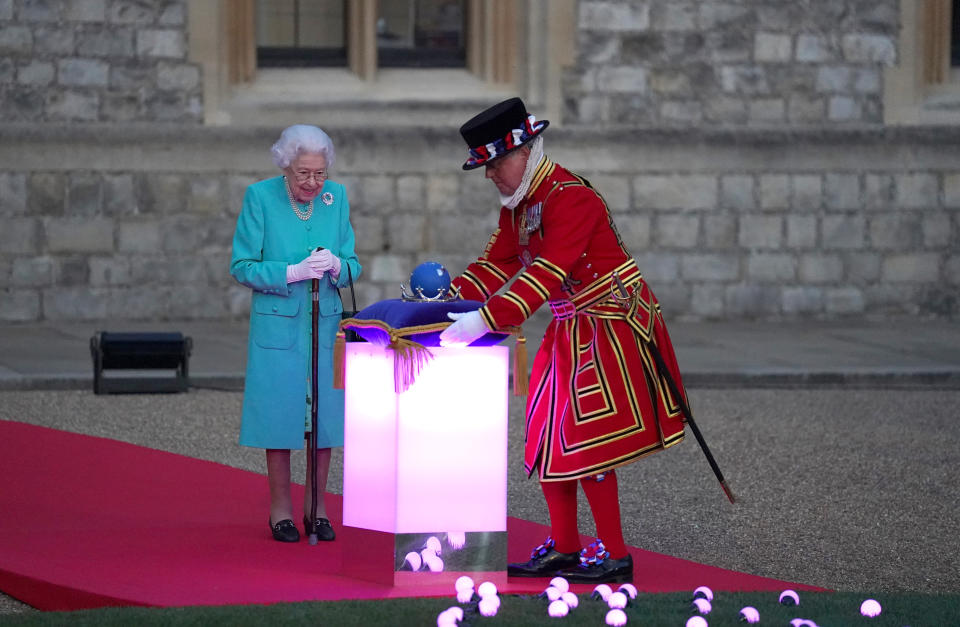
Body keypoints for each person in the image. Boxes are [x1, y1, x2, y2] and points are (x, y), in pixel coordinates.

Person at [439, 98, 689, 583]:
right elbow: (499, 263)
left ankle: (615, 555)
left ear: (523, 152)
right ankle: (566, 546)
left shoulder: (569, 195)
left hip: (610, 320)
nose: (490, 175)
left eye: (494, 164)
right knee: (548, 434)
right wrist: (443, 300)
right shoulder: (522, 202)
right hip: (571, 322)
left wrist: (485, 320)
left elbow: (549, 272)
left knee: (588, 440)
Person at [230, 124, 361, 543]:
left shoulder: (335, 197)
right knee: (281, 416)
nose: (312, 183)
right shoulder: (261, 197)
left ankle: (318, 507)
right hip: (278, 324)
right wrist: (291, 272)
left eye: (319, 173)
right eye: (303, 173)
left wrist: (339, 266)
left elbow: (354, 264)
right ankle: (281, 510)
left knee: (324, 418)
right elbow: (242, 265)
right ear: (285, 166)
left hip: (325, 323)